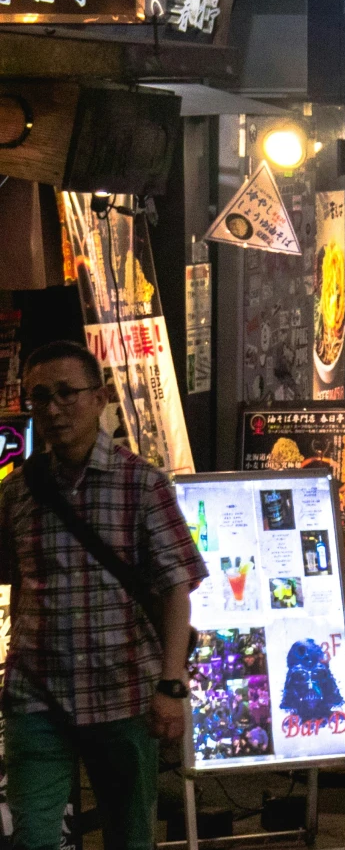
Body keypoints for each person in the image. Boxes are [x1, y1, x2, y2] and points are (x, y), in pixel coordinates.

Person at [0, 342, 204, 850]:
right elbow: (19, 580)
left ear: (100, 397)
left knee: (129, 834)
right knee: (32, 837)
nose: (51, 408)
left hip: (122, 691)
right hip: (36, 692)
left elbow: (176, 586)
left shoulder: (142, 484)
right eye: (38, 397)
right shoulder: (18, 491)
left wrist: (172, 684)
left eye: (66, 393)